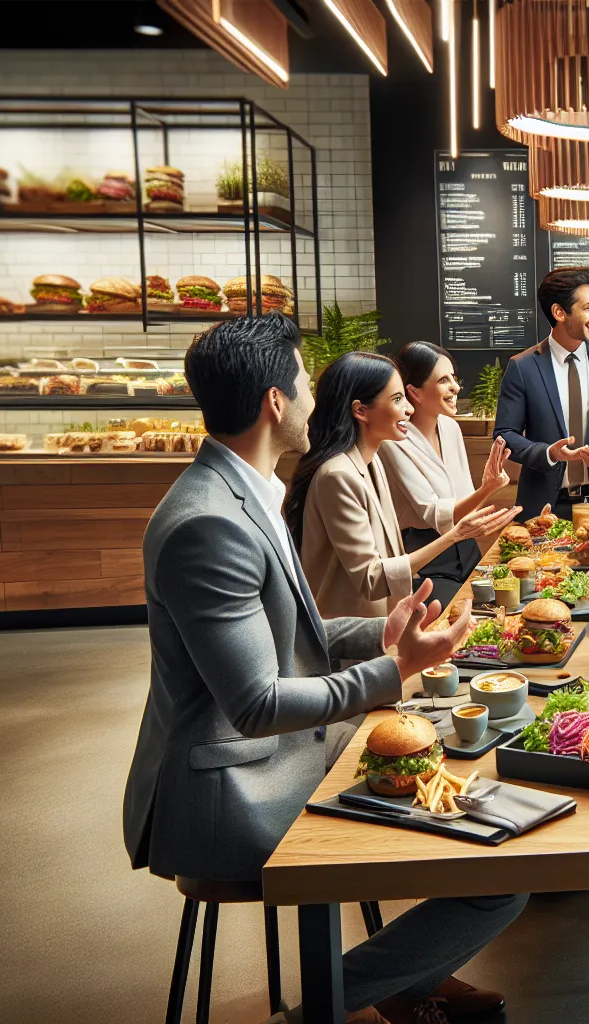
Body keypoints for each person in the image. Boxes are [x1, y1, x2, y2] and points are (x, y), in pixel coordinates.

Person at [119, 315, 524, 1024]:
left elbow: (299, 634)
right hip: (234, 790)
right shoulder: (206, 523)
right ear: (276, 403)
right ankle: (335, 1004)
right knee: (502, 867)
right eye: (306, 386)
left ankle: (399, 978)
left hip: (283, 753)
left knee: (477, 781)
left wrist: (383, 632)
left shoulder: (250, 490)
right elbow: (252, 703)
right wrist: (395, 669)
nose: (316, 400)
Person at [285, 350, 519, 619]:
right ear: (360, 410)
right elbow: (372, 578)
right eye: (398, 399)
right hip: (352, 637)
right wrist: (455, 534)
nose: (409, 409)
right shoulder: (338, 475)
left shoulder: (371, 463)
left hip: (383, 624)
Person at [492, 266, 589, 520]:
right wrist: (549, 453)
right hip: (540, 509)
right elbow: (505, 435)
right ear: (559, 312)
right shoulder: (522, 367)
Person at [380, 341, 515, 606]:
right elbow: (434, 514)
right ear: (414, 393)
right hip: (426, 557)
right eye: (444, 380)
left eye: (454, 378)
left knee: (502, 609)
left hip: (467, 548)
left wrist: (488, 490)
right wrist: (487, 488)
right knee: (458, 623)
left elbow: (464, 505)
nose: (455, 387)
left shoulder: (451, 428)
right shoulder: (393, 440)